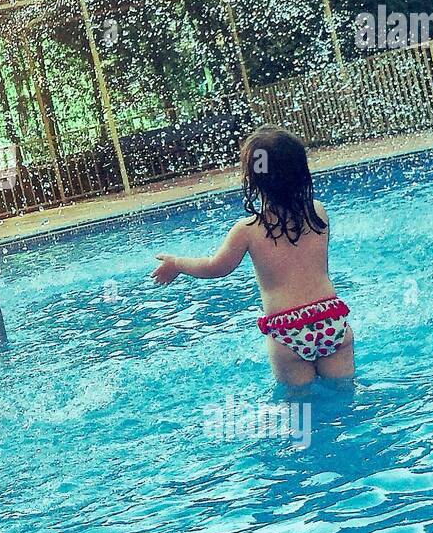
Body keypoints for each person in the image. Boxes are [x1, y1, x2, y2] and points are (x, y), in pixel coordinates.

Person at [151, 126, 354, 385]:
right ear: (301, 171)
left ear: (253, 179)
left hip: (287, 329)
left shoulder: (248, 230)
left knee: (300, 411)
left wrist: (177, 263)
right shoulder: (317, 212)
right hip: (331, 319)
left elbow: (216, 267)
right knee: (343, 392)